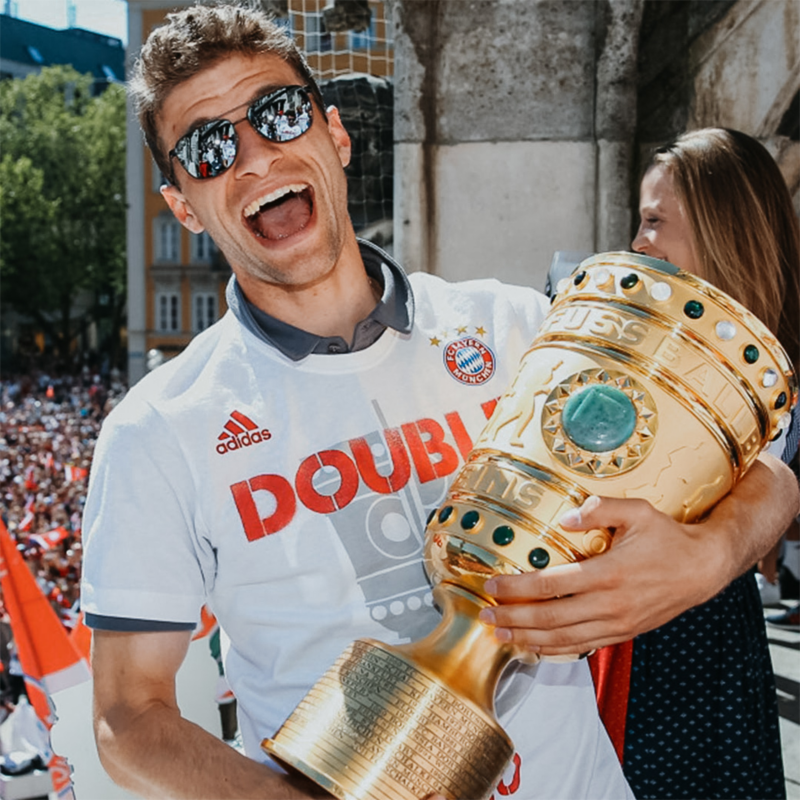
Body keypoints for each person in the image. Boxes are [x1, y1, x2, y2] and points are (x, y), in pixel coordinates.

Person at [80, 8, 799, 800]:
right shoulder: (157, 430)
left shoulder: (520, 323)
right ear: (184, 204)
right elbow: (126, 714)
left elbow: (764, 466)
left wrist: (711, 556)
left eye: (277, 115)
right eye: (209, 149)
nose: (254, 156)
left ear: (334, 137)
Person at [590, 127, 798, 799]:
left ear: (718, 229)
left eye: (654, 221)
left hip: (696, 649)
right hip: (634, 644)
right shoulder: (628, 344)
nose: (638, 241)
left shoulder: (769, 378)